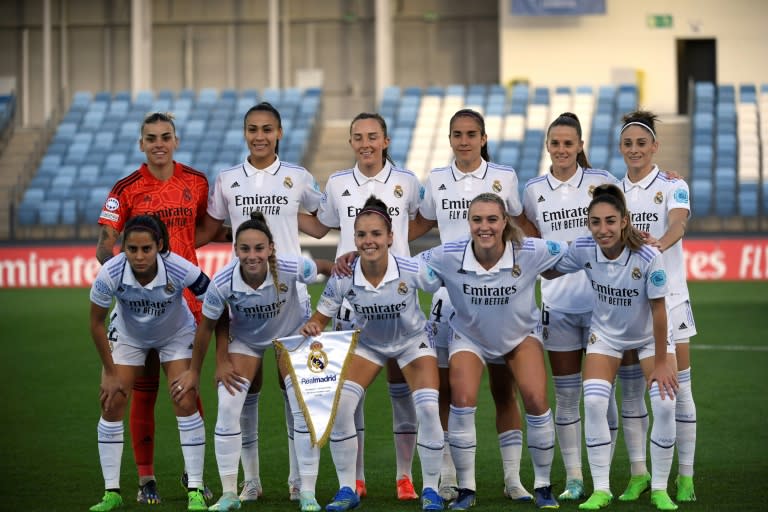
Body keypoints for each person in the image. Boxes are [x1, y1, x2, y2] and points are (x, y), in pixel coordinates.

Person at [408, 108, 538, 502]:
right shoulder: (436, 180)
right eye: (457, 134)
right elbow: (416, 225)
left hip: (497, 297)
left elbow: (525, 226)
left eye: (471, 134)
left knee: (504, 390)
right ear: (449, 139)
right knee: (448, 391)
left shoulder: (504, 177)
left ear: (483, 138)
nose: (463, 141)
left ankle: (513, 478)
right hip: (447, 300)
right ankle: (449, 475)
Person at [197, 101, 323, 501]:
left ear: (280, 133)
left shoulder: (298, 177)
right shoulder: (228, 179)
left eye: (267, 129)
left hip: (292, 298)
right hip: (247, 299)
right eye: (253, 129)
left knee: (294, 395)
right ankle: (249, 481)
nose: (260, 136)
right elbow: (214, 229)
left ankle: (296, 481)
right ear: (244, 133)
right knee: (244, 392)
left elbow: (319, 224)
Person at [299, 112, 424, 500]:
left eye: (373, 136)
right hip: (350, 298)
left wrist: (397, 247)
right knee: (350, 394)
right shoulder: (337, 183)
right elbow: (321, 227)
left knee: (401, 389)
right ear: (351, 142)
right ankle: (355, 478)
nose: (366, 143)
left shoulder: (406, 182)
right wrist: (279, 210)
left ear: (386, 140)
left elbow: (417, 222)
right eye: (358, 137)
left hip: (398, 296)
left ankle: (405, 476)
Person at [172, 212, 333, 512]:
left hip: (291, 335)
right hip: (245, 341)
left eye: (259, 248)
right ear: (235, 250)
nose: (252, 255)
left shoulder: (289, 265)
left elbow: (329, 269)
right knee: (228, 404)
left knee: (301, 405)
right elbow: (207, 326)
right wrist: (206, 367)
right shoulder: (221, 281)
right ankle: (231, 493)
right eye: (245, 249)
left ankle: (306, 491)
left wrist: (319, 318)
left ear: (271, 248)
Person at [418, 192, 565, 510]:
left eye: (492, 219)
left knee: (536, 399)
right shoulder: (447, 254)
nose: (484, 227)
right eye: (477, 220)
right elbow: (404, 266)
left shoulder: (530, 250)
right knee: (463, 398)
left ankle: (540, 485)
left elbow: (580, 252)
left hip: (520, 335)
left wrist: (628, 242)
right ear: (469, 222)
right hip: (469, 336)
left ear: (505, 222)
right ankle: (466, 488)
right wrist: (355, 263)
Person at [300, 196, 446, 512]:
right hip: (369, 345)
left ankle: (432, 490)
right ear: (354, 239)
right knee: (341, 407)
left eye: (376, 234)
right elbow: (320, 315)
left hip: (412, 342)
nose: (369, 241)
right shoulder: (344, 274)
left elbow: (448, 284)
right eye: (362, 235)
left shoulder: (411, 269)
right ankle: (347, 489)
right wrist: (312, 326)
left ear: (391, 237)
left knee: (429, 410)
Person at [96, 111, 211, 504]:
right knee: (142, 392)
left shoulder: (195, 181)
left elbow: (207, 226)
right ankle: (146, 480)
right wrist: (122, 272)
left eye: (165, 137)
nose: (159, 143)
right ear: (141, 144)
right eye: (151, 138)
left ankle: (192, 475)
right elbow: (106, 240)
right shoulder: (125, 189)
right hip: (140, 305)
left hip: (186, 301)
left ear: (175, 141)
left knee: (188, 391)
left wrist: (185, 257)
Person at [546, 184, 679, 511]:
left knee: (664, 404)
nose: (602, 229)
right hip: (605, 336)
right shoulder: (583, 248)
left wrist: (662, 362)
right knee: (592, 402)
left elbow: (660, 311)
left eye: (609, 221)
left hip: (650, 337)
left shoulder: (648, 255)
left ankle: (660, 487)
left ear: (624, 221)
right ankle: (601, 489)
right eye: (595, 222)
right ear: (588, 224)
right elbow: (550, 268)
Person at [522, 112, 619, 501]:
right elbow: (525, 228)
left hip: (602, 306)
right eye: (555, 143)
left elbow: (623, 220)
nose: (562, 150)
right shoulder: (532, 190)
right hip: (557, 306)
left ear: (580, 146)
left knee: (601, 396)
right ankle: (575, 477)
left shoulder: (600, 182)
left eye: (569, 143)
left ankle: (604, 478)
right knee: (566, 397)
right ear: (548, 146)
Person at [88, 215, 211, 512]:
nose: (139, 256)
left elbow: (213, 302)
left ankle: (195, 488)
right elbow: (95, 322)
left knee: (185, 398)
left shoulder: (179, 267)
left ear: (159, 246)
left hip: (175, 333)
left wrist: (196, 368)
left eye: (146, 249)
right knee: (112, 400)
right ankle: (112, 492)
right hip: (129, 336)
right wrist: (109, 371)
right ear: (124, 248)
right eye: (131, 249)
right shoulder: (111, 273)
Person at [617, 110, 698, 503]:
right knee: (632, 391)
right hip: (630, 304)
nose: (635, 150)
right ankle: (638, 473)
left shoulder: (672, 183)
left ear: (654, 147)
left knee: (678, 389)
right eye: (628, 144)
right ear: (621, 148)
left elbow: (679, 224)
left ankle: (685, 476)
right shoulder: (614, 191)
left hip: (671, 299)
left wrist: (659, 245)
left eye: (641, 143)